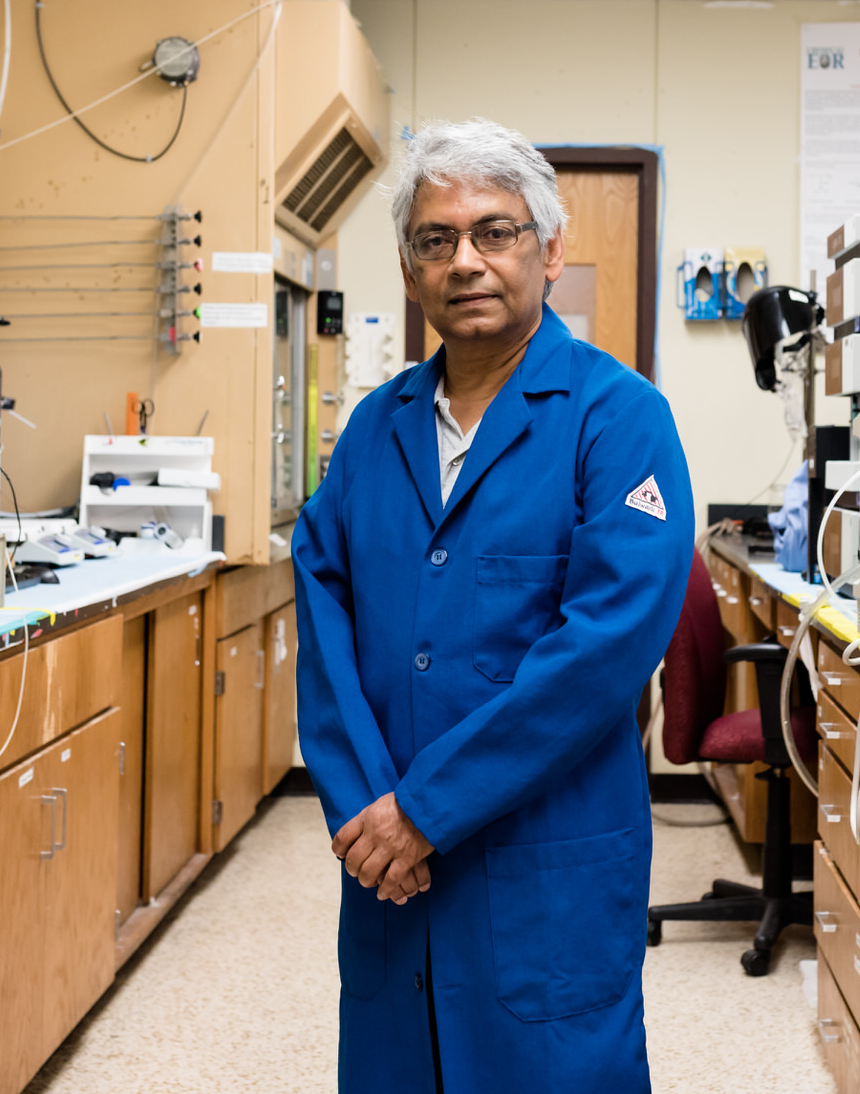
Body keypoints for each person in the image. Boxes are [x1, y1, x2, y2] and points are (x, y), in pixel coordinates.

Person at [294, 118, 694, 1093]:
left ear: (549, 251)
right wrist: (365, 814)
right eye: (436, 239)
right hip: (387, 855)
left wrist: (423, 812)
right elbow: (323, 616)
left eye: (495, 232)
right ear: (408, 265)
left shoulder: (617, 418)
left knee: (550, 1065)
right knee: (398, 1063)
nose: (464, 260)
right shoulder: (372, 431)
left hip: (540, 855)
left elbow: (604, 646)